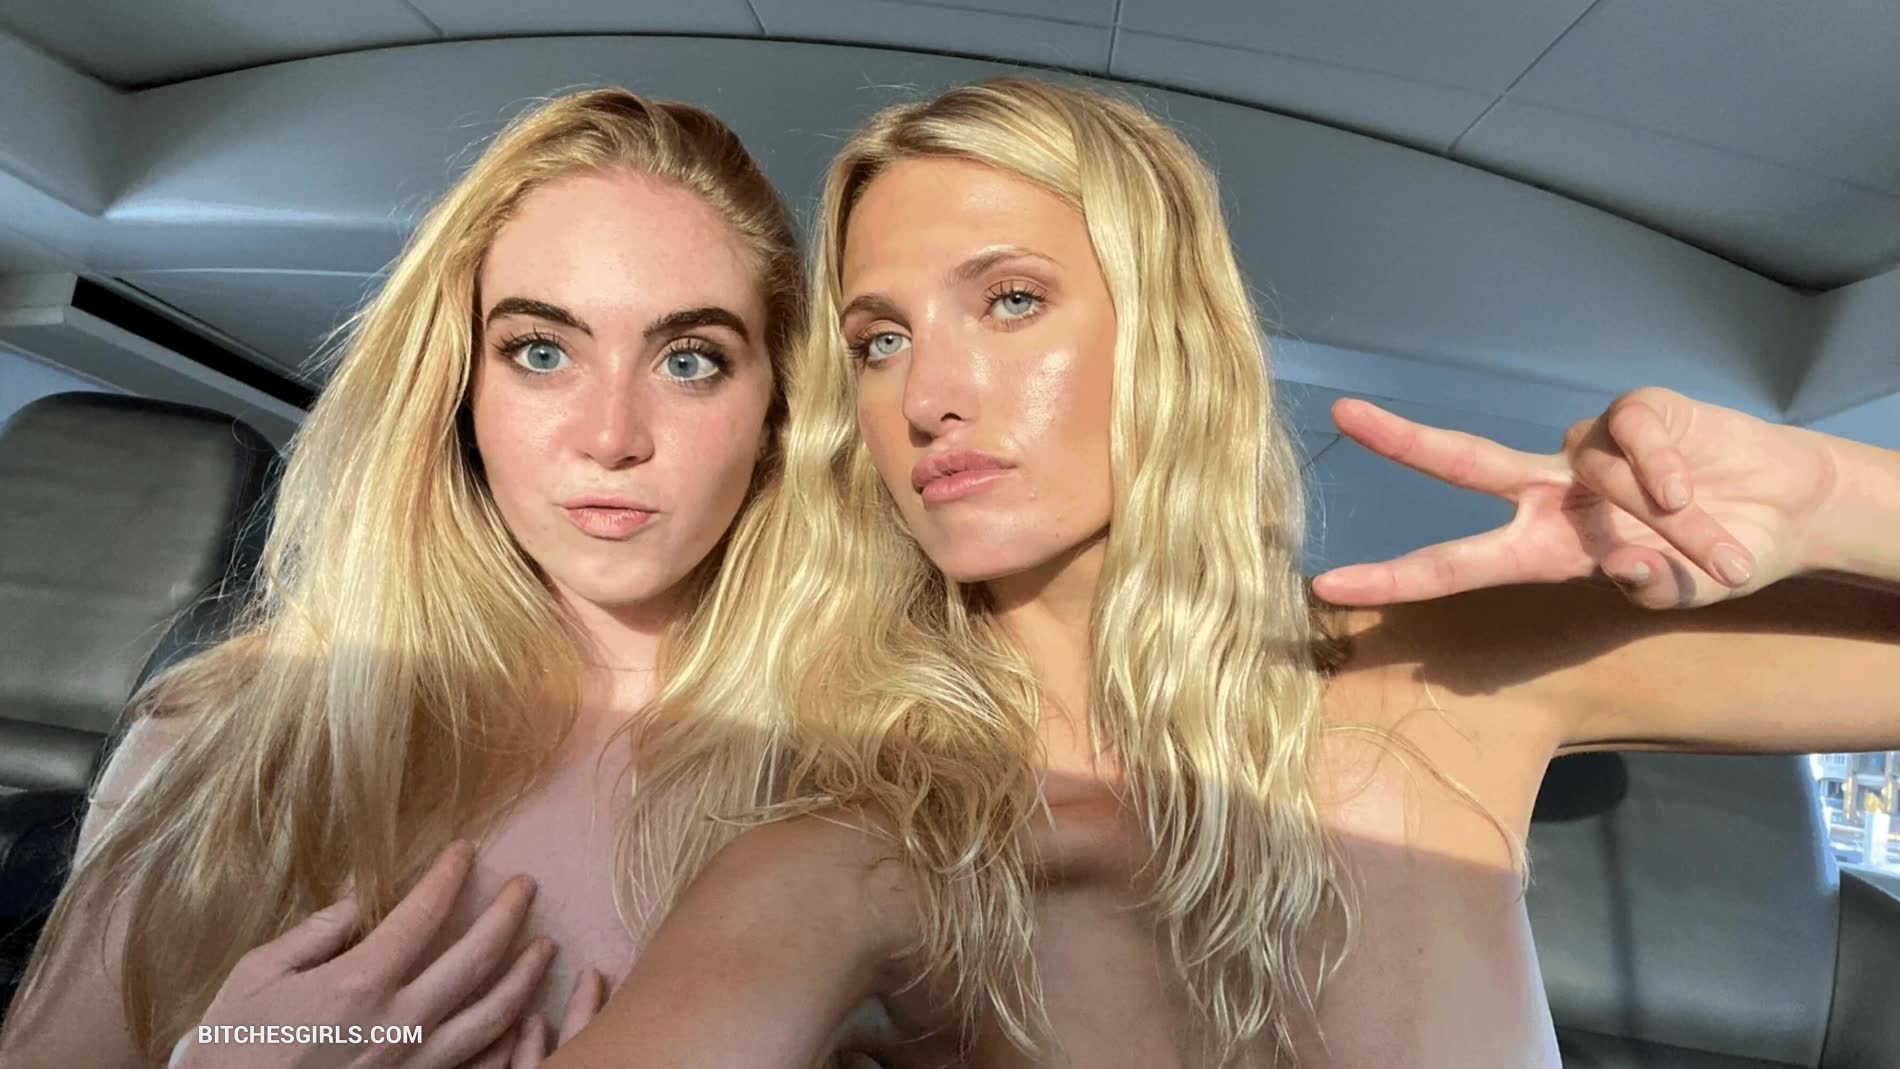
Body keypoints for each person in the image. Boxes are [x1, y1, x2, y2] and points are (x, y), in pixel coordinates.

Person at [550, 75, 1900, 1068]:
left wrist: (1825, 497)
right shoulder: (854, 861)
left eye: (1011, 300)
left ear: (1168, 333)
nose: (928, 394)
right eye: (880, 340)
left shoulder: (1440, 678)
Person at [0, 86, 809, 1068]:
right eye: (541, 352)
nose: (611, 436)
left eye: (689, 361)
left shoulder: (879, 790)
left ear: (780, 410)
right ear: (460, 388)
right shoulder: (221, 735)